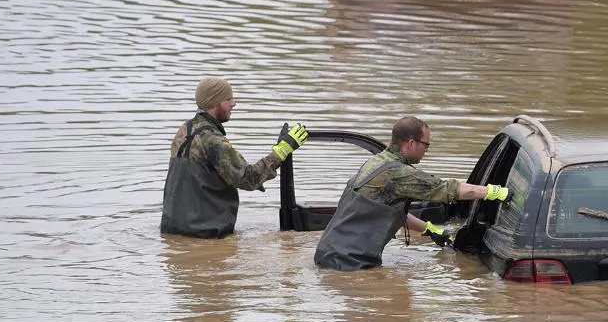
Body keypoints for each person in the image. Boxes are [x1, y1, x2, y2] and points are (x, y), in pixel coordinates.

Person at [314, 115, 513, 271]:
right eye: (426, 145)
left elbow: (387, 210)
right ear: (411, 143)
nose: (427, 150)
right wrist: (492, 192)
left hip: (329, 254)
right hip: (347, 265)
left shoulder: (377, 162)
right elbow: (445, 189)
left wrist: (429, 229)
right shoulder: (399, 174)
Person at [161, 77, 309, 238]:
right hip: (206, 237)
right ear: (214, 102)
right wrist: (282, 150)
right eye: (228, 99)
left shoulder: (184, 131)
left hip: (173, 232)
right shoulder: (213, 140)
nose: (233, 103)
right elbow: (248, 178)